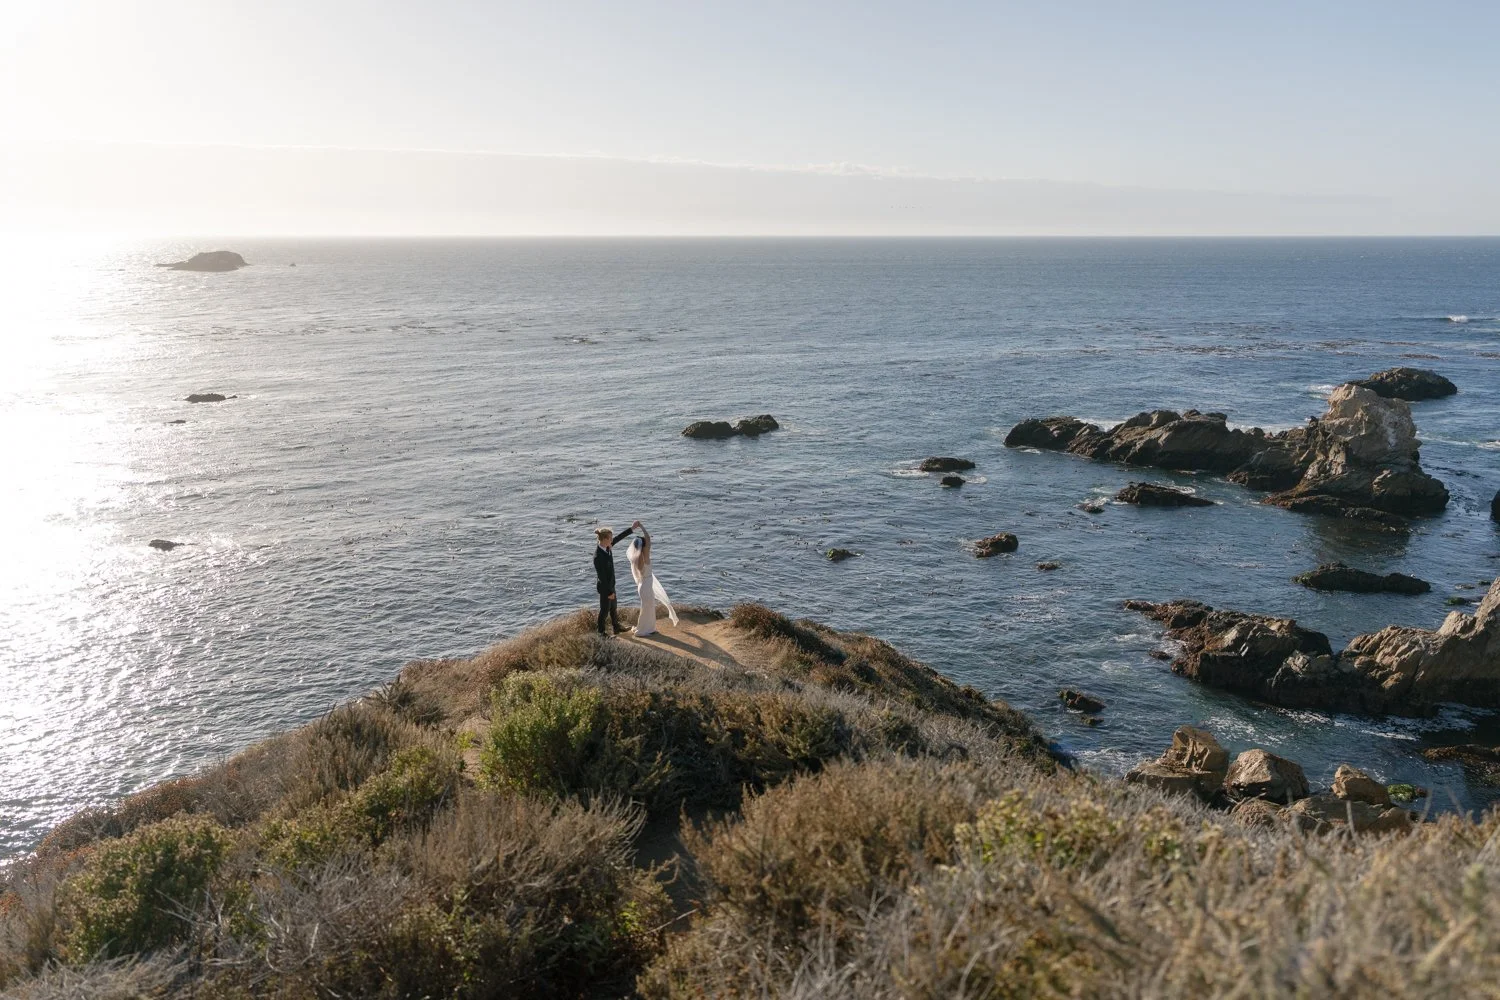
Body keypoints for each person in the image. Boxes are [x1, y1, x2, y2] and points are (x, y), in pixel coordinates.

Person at [626, 523, 678, 636]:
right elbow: (648, 538)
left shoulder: (636, 560)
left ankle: (649, 629)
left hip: (643, 585)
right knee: (647, 609)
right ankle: (643, 630)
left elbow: (647, 541)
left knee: (647, 608)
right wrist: (641, 526)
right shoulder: (645, 557)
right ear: (643, 547)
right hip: (646, 586)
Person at [593, 520, 640, 636]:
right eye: (610, 538)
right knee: (604, 611)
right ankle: (601, 633)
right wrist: (609, 592)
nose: (612, 540)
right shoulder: (598, 556)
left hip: (611, 585)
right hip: (605, 588)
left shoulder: (607, 547)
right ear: (604, 539)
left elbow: (619, 538)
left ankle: (616, 628)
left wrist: (632, 528)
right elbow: (602, 577)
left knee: (613, 608)